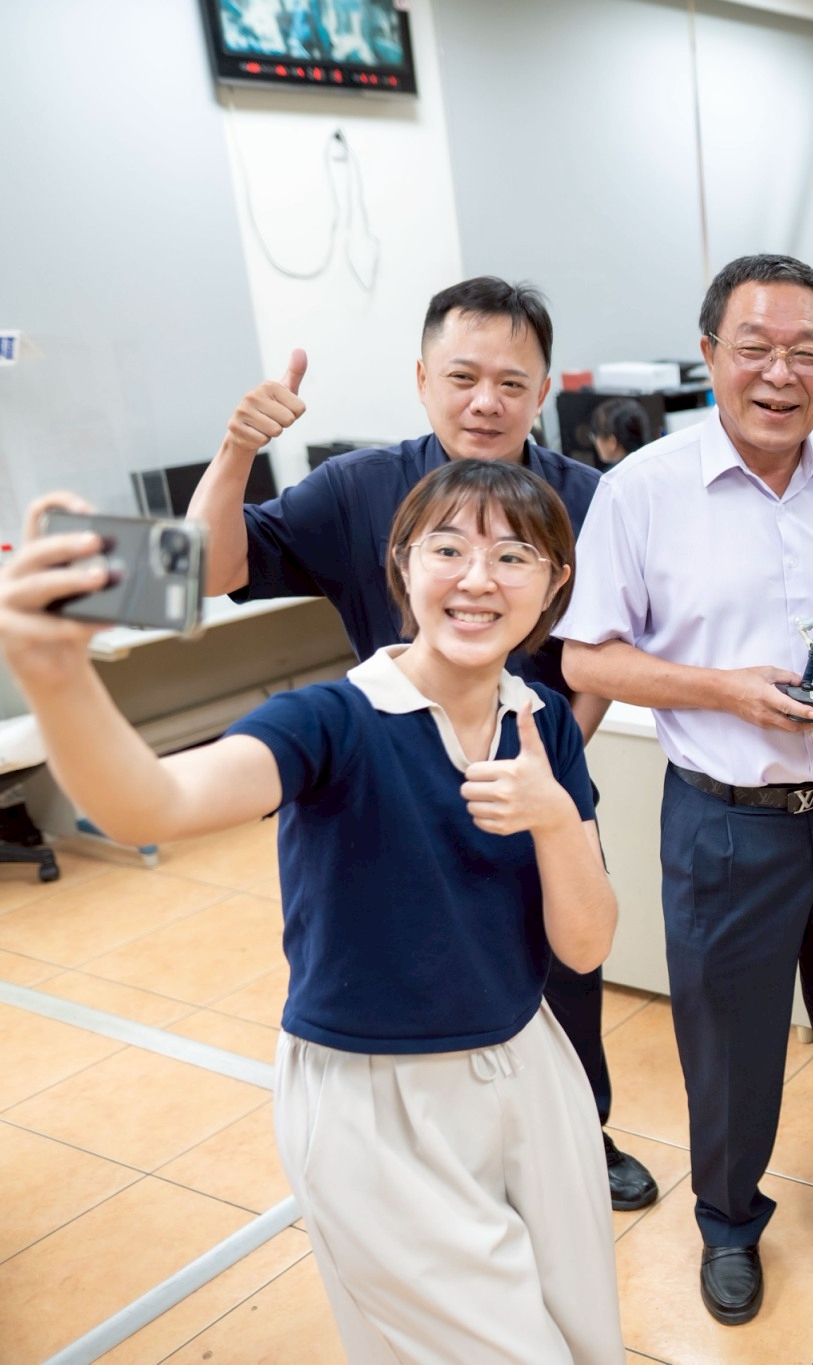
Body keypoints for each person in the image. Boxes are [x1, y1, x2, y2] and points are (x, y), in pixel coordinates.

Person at [0, 461, 622, 1361]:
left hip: (530, 1065)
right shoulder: (331, 722)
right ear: (402, 564)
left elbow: (587, 944)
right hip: (376, 1098)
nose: (479, 579)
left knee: (583, 1334)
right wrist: (57, 675)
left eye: (513, 556)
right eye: (449, 548)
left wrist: (556, 819)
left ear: (555, 583)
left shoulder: (544, 721)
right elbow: (153, 804)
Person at [186, 276, 658, 1213]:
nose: (487, 402)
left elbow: (610, 647)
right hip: (392, 780)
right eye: (463, 377)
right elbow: (210, 567)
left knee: (570, 968)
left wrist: (552, 758)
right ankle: (435, 1159)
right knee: (421, 962)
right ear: (422, 379)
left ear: (543, 391)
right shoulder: (361, 486)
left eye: (512, 384)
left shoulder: (590, 498)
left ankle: (580, 1132)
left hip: (537, 772)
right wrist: (238, 449)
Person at [557, 254, 813, 1327]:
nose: (779, 373)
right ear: (710, 353)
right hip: (723, 820)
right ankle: (727, 1221)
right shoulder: (641, 490)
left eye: (806, 352)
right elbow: (587, 656)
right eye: (754, 348)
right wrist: (724, 689)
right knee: (726, 1045)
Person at [590, 396, 655, 472]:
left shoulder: (611, 477)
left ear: (611, 441)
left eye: (594, 436)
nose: (596, 443)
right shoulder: (656, 464)